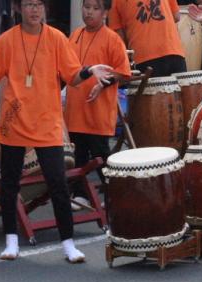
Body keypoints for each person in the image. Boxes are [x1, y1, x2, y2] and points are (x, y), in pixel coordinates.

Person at [0, 0, 114, 263]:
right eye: (29, 4)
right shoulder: (7, 40)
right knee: (9, 185)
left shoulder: (55, 38)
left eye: (39, 4)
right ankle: (11, 241)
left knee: (58, 185)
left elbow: (73, 75)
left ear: (45, 9)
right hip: (14, 123)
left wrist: (89, 71)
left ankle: (68, 244)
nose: (34, 9)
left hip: (47, 123)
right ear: (19, 9)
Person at [65, 0, 131, 204]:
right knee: (79, 156)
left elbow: (124, 73)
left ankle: (114, 196)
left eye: (95, 8)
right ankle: (81, 195)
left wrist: (102, 84)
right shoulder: (75, 35)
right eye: (86, 7)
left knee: (101, 155)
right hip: (75, 108)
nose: (89, 12)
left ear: (104, 12)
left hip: (98, 110)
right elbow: (66, 68)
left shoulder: (112, 38)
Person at [108, 0, 186, 76]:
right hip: (174, 51)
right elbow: (176, 16)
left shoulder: (114, 2)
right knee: (181, 88)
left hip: (143, 58)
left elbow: (118, 39)